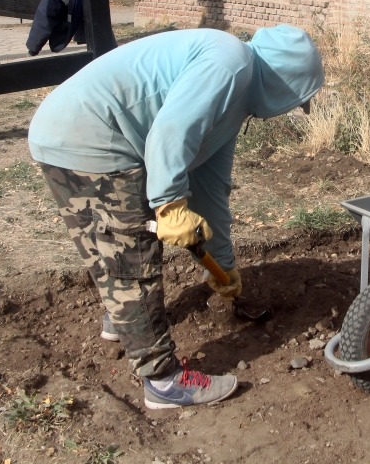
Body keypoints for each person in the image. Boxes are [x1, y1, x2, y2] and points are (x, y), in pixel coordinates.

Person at [28, 25, 324, 408]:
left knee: (107, 241)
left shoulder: (232, 91)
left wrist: (223, 266)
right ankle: (163, 382)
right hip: (93, 133)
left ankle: (123, 322)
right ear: (283, 83)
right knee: (132, 253)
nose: (286, 110)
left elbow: (210, 189)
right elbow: (170, 132)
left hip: (63, 129)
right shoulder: (230, 63)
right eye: (293, 98)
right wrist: (167, 204)